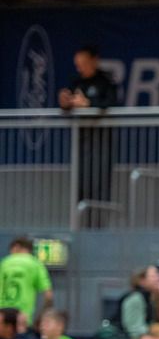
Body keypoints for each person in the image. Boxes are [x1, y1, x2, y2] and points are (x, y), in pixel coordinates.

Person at [59, 44, 119, 225]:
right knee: (81, 187)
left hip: (101, 144)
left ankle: (99, 228)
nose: (80, 67)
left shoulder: (106, 81)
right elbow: (69, 105)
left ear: (95, 60)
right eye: (78, 64)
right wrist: (65, 103)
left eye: (84, 63)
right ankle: (82, 227)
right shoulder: (77, 83)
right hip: (82, 144)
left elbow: (111, 102)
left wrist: (88, 105)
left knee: (99, 188)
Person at [0, 236, 53, 325]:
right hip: (23, 319)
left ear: (15, 248)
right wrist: (40, 318)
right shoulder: (35, 263)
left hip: (2, 319)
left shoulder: (3, 263)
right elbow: (48, 296)